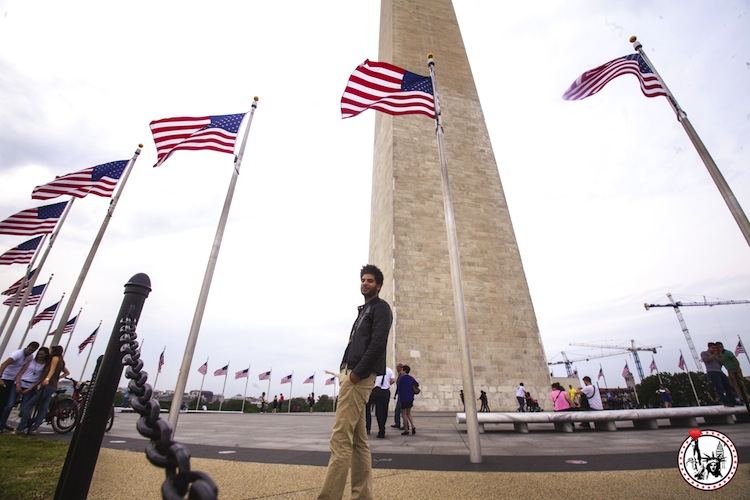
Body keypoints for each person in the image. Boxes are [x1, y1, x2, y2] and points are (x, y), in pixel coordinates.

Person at [318, 264, 392, 500]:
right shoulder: (364, 310)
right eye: (363, 280)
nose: (365, 283)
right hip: (350, 375)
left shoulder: (380, 309)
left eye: (370, 281)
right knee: (359, 442)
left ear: (378, 285)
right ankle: (362, 496)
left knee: (340, 439)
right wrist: (344, 370)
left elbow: (378, 343)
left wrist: (356, 373)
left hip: (358, 379)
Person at [16, 345, 67, 434]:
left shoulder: (55, 358)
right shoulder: (61, 361)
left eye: (51, 350)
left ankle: (21, 428)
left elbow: (52, 370)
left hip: (48, 385)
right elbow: (66, 372)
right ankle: (34, 428)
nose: (50, 352)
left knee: (28, 405)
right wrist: (57, 377)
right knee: (43, 408)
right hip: (53, 385)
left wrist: (47, 379)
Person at [0, 341, 39, 433]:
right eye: (29, 349)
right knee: (2, 402)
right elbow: (4, 364)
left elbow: (23, 369)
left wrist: (18, 381)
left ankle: (2, 422)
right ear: (27, 347)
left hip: (13, 380)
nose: (30, 352)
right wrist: (0, 378)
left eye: (32, 351)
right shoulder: (17, 354)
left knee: (6, 404)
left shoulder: (30, 357)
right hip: (5, 378)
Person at [368, 366, 394, 438]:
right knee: (384, 411)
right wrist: (387, 384)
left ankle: (381, 429)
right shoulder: (389, 370)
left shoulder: (375, 370)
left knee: (379, 411)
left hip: (377, 391)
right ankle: (382, 426)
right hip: (386, 391)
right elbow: (393, 380)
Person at [397, 365, 418, 435]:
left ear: (404, 370)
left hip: (403, 398)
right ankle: (413, 426)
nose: (401, 371)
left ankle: (406, 429)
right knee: (409, 413)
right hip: (410, 397)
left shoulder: (401, 378)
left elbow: (398, 387)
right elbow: (416, 384)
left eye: (402, 370)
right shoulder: (411, 378)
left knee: (404, 414)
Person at [391, 363, 404, 430]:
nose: (396, 369)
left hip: (402, 395)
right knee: (398, 410)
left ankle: (404, 424)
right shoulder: (400, 375)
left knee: (401, 410)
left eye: (397, 367)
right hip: (400, 394)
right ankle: (398, 423)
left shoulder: (402, 375)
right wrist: (395, 394)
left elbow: (400, 386)